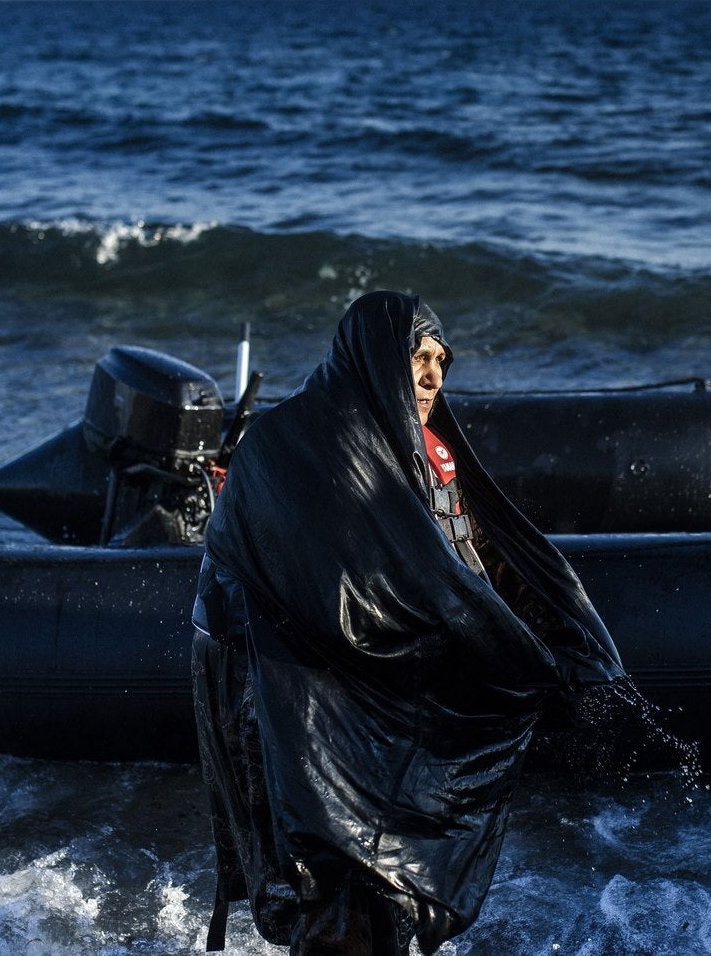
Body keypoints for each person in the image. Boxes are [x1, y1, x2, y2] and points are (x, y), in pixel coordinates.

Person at [191, 290, 623, 954]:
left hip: (365, 688)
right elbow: (302, 588)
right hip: (275, 684)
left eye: (441, 362)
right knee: (328, 864)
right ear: (372, 360)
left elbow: (468, 565)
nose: (432, 378)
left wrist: (546, 642)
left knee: (383, 873)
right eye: (417, 358)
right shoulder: (291, 448)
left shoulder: (422, 458)